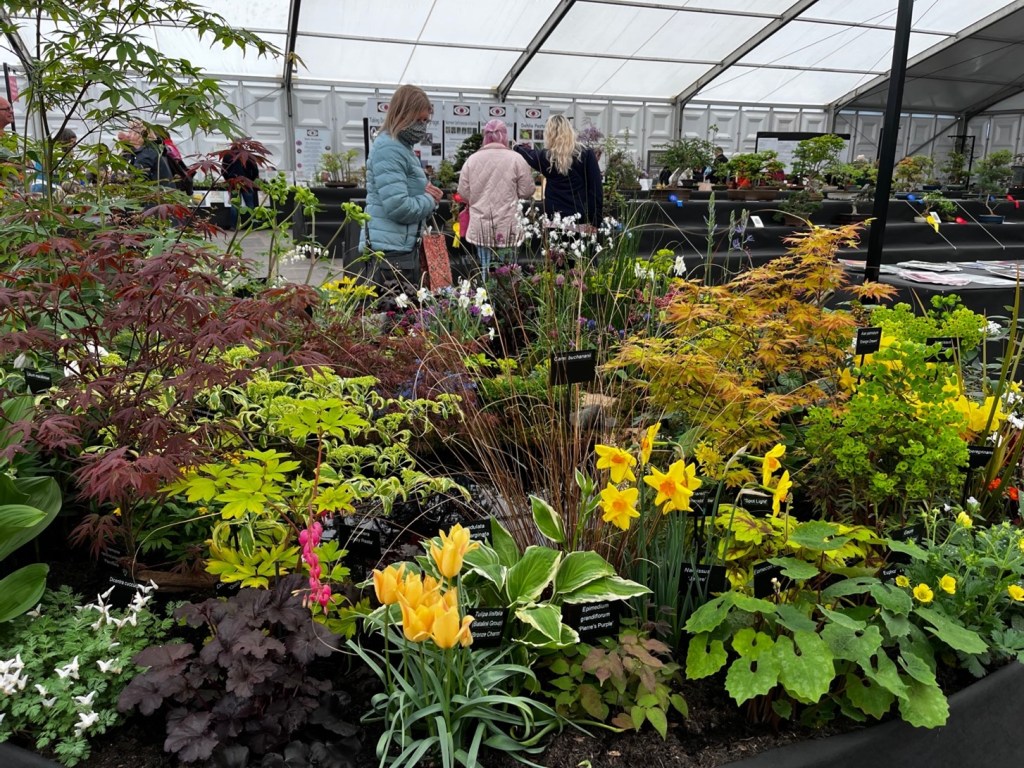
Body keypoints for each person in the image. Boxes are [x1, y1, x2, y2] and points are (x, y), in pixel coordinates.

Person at [359, 84, 443, 288]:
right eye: (418, 120)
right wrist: (430, 200)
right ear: (403, 114)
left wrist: (427, 195)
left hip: (396, 246)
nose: (422, 127)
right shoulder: (390, 149)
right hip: (390, 252)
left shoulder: (402, 147)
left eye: (425, 121)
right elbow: (399, 207)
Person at [457, 119, 535, 278]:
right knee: (508, 272)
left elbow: (463, 193)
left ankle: (485, 291)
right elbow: (527, 191)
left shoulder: (472, 159)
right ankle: (507, 292)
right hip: (508, 223)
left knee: (485, 270)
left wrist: (478, 198)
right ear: (505, 136)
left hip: (481, 224)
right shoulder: (516, 159)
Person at [514, 114, 602, 227]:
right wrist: (596, 221)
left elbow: (529, 154)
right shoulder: (586, 154)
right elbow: (596, 189)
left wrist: (516, 147)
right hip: (579, 219)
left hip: (553, 219)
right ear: (570, 130)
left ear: (549, 134)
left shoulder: (546, 157)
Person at [117, 120, 174, 186]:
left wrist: (114, 177)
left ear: (139, 135)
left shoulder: (146, 154)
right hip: (165, 190)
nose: (128, 135)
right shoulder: (154, 149)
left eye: (130, 132)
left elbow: (137, 178)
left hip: (159, 191)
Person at [222, 138, 261, 228]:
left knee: (234, 204)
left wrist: (228, 179)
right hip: (246, 182)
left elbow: (223, 170)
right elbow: (255, 170)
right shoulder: (248, 155)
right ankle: (253, 224)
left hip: (233, 182)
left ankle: (233, 226)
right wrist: (250, 179)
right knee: (250, 204)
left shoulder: (227, 155)